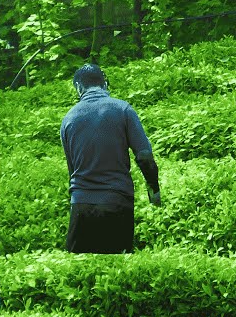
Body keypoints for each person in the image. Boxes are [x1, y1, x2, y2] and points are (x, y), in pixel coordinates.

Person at [59, 64, 162, 254]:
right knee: (117, 272)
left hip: (81, 206)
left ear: (78, 87)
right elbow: (144, 155)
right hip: (117, 202)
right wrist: (153, 191)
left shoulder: (68, 119)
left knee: (80, 277)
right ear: (105, 84)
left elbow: (71, 169)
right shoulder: (123, 109)